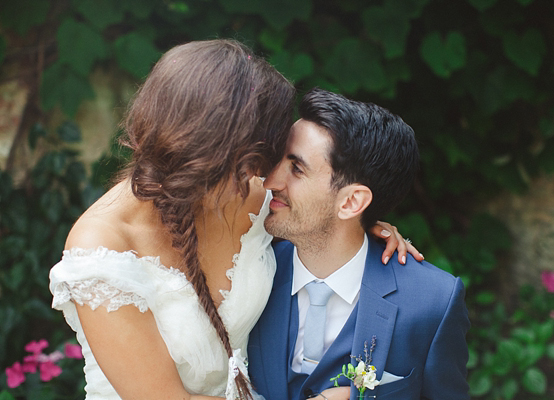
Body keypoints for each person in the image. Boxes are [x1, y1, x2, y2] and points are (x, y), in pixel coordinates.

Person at [48, 40, 422, 400]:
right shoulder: (101, 250)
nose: (266, 178)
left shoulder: (247, 193)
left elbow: (318, 216)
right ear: (209, 152)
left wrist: (360, 227)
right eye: (255, 161)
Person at [247, 88, 470, 400]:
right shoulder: (244, 268)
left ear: (351, 202)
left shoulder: (433, 304)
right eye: (278, 160)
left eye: (296, 168)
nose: (271, 181)